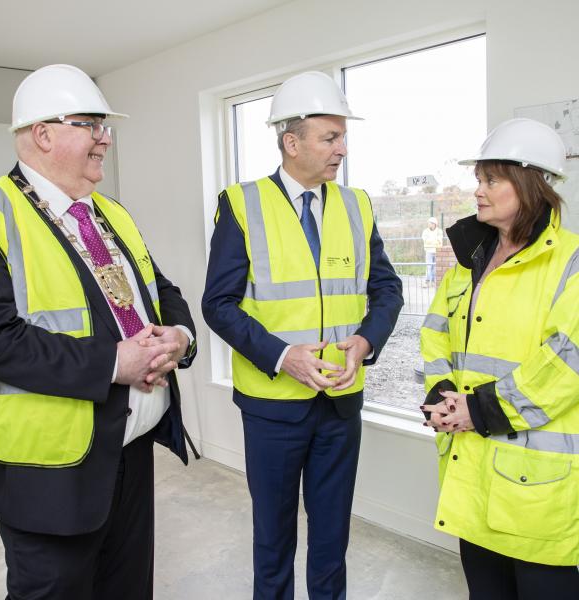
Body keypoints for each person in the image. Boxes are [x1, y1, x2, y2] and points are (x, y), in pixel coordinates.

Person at [0, 64, 197, 600]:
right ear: (43, 134)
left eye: (105, 127)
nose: (104, 139)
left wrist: (179, 336)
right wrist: (112, 364)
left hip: (128, 450)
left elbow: (161, 288)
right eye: (90, 125)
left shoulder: (111, 214)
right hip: (48, 470)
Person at [202, 71, 403, 599]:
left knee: (333, 535)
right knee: (273, 538)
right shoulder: (242, 204)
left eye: (342, 136)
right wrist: (282, 355)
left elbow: (387, 289)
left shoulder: (357, 205)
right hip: (273, 408)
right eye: (330, 137)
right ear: (292, 143)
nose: (342, 148)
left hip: (340, 403)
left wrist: (365, 343)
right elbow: (217, 304)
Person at [420, 118, 579, 599]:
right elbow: (435, 331)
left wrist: (480, 410)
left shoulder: (570, 263)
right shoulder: (471, 260)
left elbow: (567, 363)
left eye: (491, 180)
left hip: (537, 491)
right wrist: (442, 394)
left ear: (532, 185)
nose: (478, 191)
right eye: (478, 180)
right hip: (473, 475)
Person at [421, 216, 443, 286]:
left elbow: (439, 240)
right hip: (429, 251)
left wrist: (431, 240)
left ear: (434, 224)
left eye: (430, 223)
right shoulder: (425, 231)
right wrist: (434, 240)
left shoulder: (439, 231)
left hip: (437, 251)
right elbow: (425, 240)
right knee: (429, 266)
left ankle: (433, 281)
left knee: (435, 267)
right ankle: (427, 281)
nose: (429, 224)